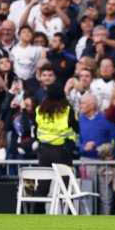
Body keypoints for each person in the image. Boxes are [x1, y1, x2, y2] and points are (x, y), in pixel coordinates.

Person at [34, 82, 78, 213]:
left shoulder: (39, 110)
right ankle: (68, 213)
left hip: (44, 151)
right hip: (62, 151)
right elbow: (76, 128)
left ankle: (37, 214)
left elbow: (36, 129)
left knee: (43, 186)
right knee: (66, 184)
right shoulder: (67, 110)